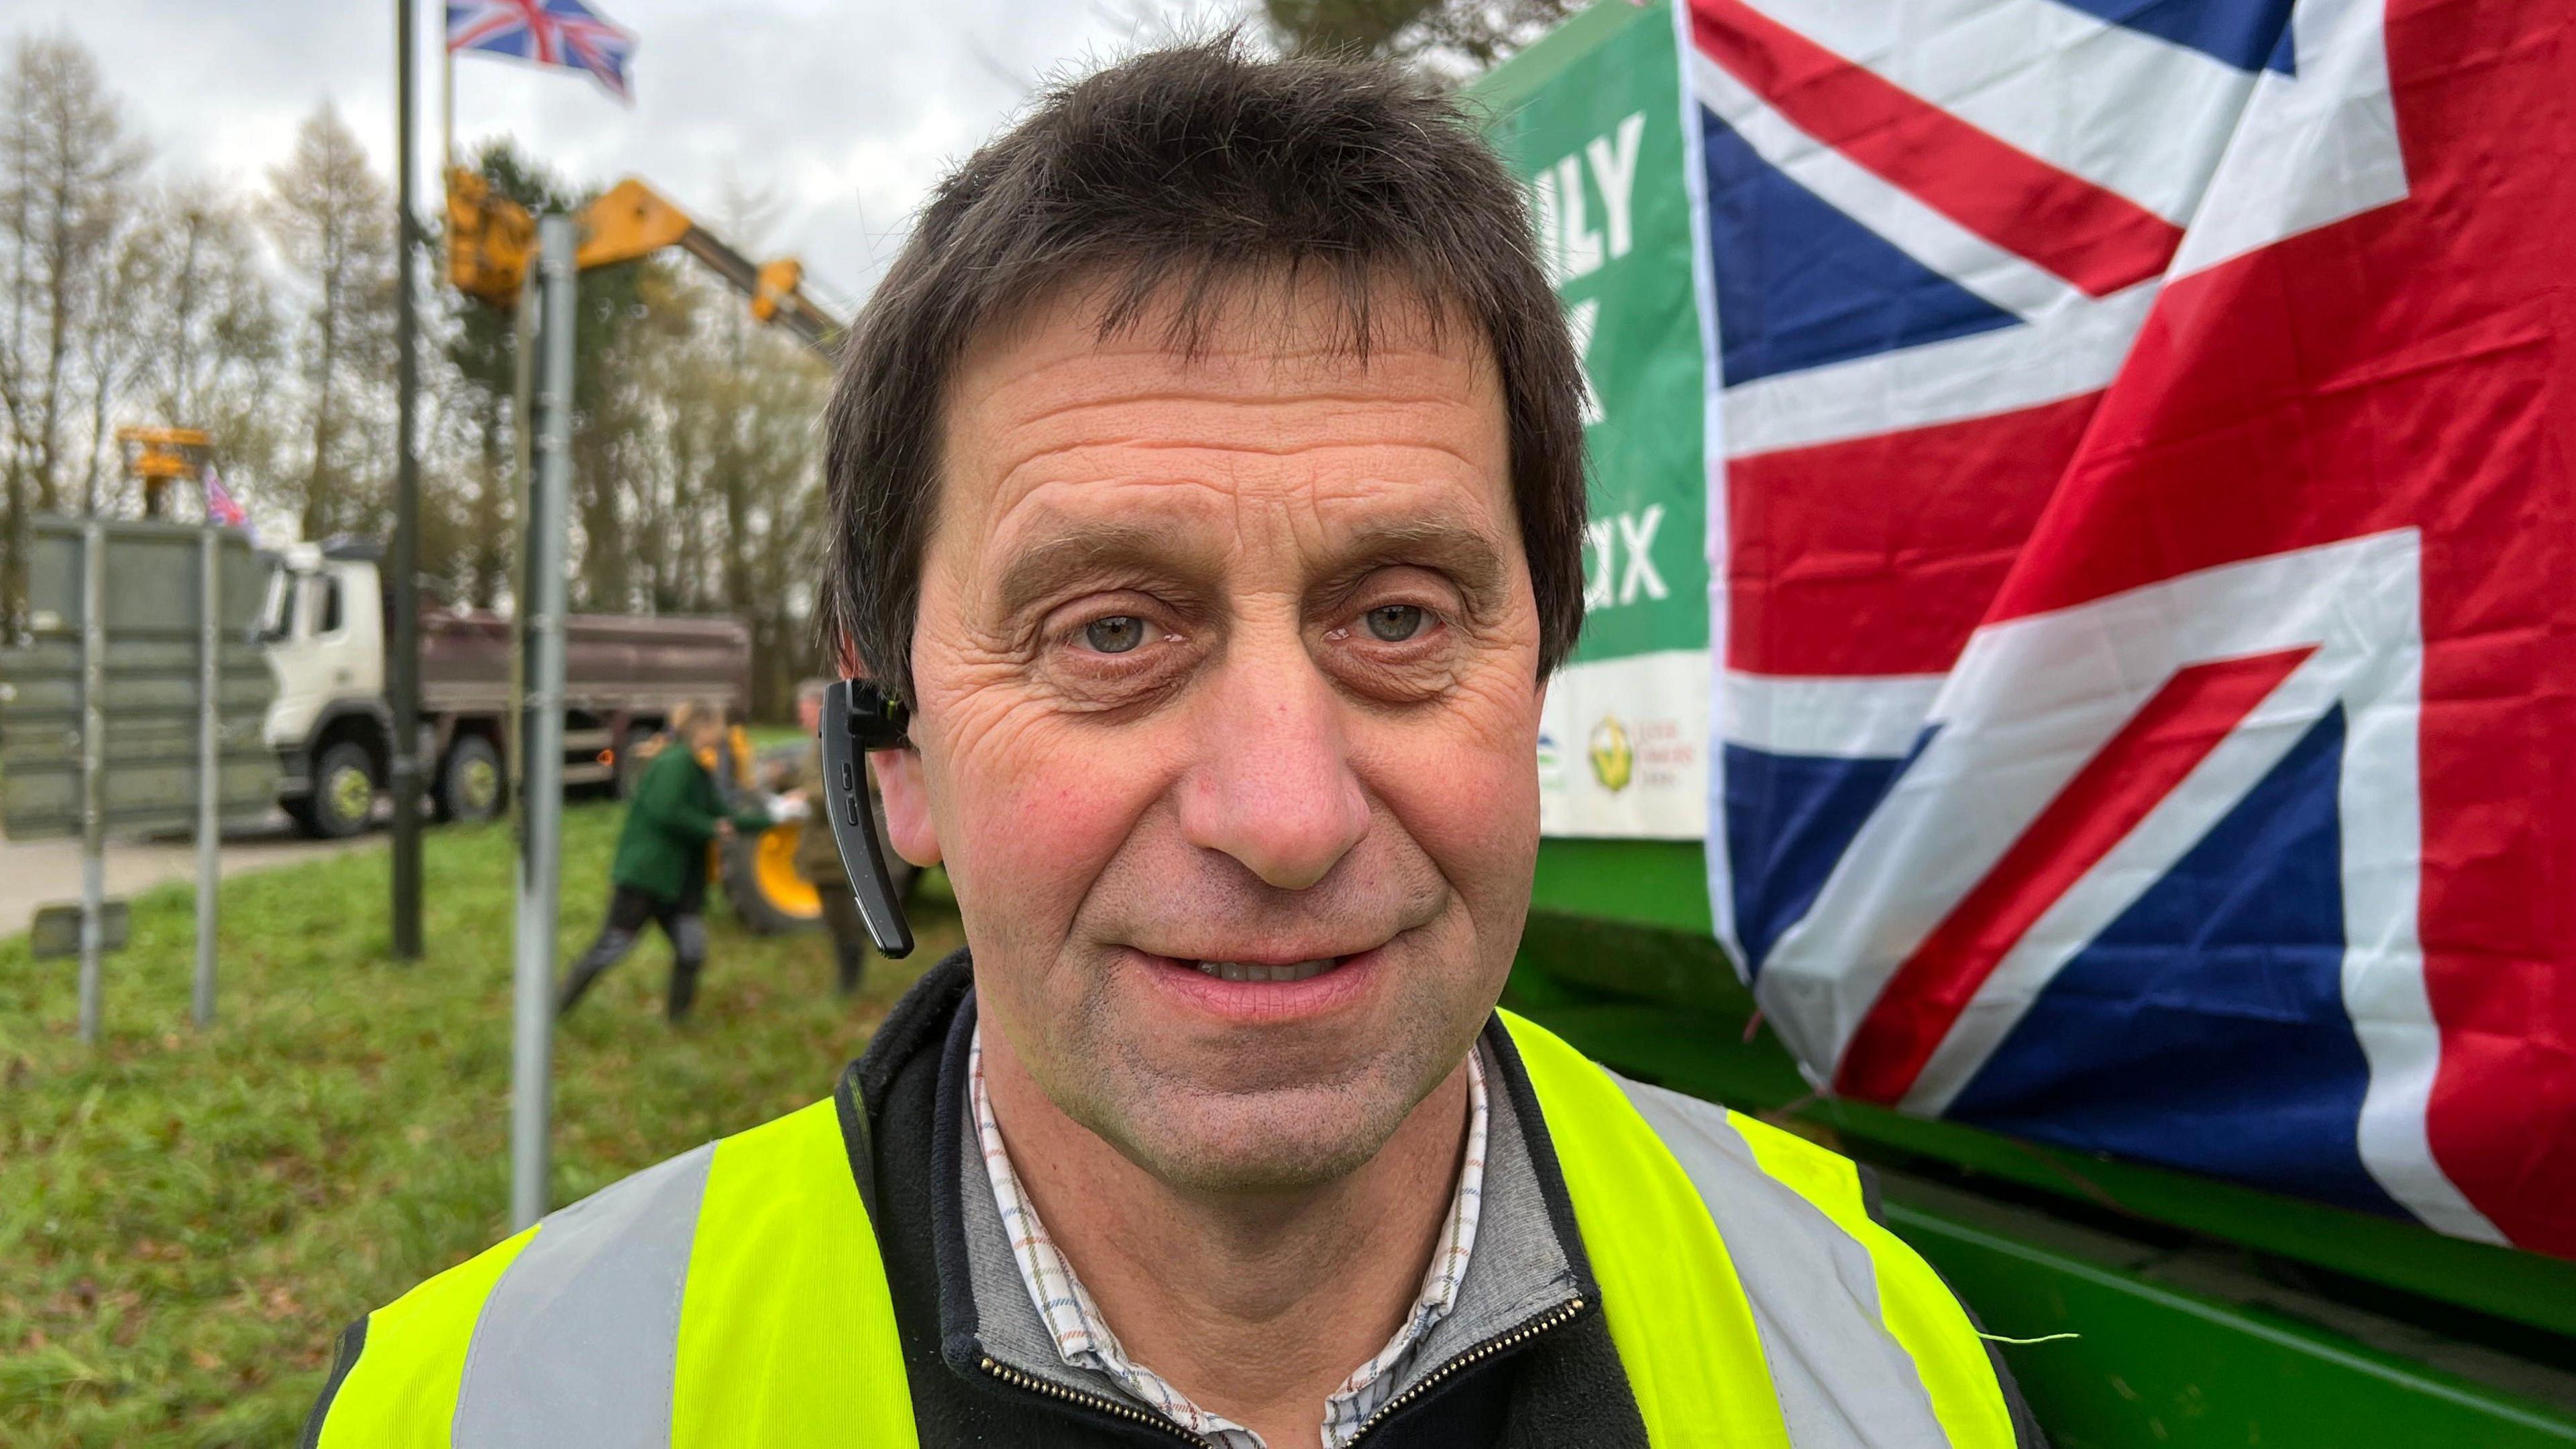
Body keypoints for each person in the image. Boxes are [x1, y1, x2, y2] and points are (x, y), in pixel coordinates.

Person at [305, 40, 2045, 1448]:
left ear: (1536, 676)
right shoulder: (481, 1407)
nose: (1283, 814)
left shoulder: (1876, 1352)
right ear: (890, 749)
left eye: (1398, 619)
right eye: (1112, 632)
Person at [555, 700, 777, 1024]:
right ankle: (556, 1009)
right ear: (702, 727)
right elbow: (667, 810)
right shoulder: (676, 763)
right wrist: (710, 828)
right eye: (719, 725)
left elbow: (724, 815)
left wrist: (773, 818)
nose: (724, 732)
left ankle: (679, 1021)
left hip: (679, 884)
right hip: (647, 877)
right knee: (611, 947)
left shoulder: (698, 768)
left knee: (691, 950)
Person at [786, 677, 917, 996]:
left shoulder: (848, 743)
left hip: (840, 852)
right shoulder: (813, 745)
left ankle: (849, 984)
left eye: (805, 710)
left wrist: (806, 797)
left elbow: (862, 783)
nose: (801, 717)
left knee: (848, 925)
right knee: (836, 923)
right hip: (821, 850)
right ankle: (846, 980)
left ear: (823, 708)